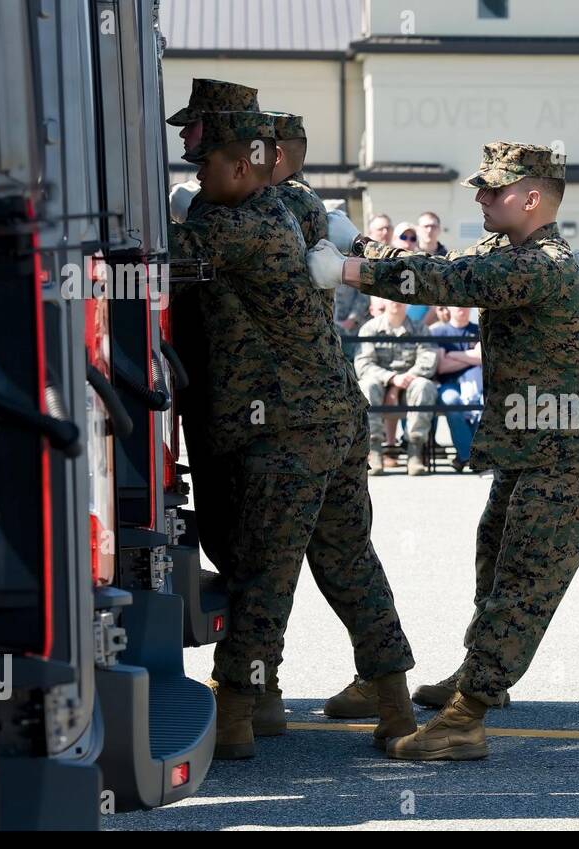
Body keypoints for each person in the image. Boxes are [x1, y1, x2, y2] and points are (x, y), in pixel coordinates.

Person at [309, 141, 579, 761]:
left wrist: (347, 267)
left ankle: (468, 714)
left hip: (569, 454)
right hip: (555, 446)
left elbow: (444, 279)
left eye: (492, 189)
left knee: (523, 583)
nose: (479, 197)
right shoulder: (509, 250)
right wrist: (360, 243)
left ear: (531, 199)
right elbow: (438, 261)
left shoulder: (542, 264)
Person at [168, 111, 416, 759]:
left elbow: (151, 261)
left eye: (205, 161)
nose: (195, 172)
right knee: (348, 559)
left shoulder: (233, 223)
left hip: (284, 426)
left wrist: (172, 214)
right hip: (330, 412)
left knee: (262, 571)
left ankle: (240, 714)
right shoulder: (293, 206)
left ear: (244, 164)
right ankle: (392, 704)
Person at [164, 79, 261, 579]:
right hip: (213, 386)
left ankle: (248, 654)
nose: (183, 139)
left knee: (247, 544)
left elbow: (172, 260)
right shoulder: (216, 196)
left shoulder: (252, 206)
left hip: (244, 399)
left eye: (193, 127)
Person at [355, 298, 439, 476]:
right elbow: (364, 365)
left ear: (408, 303)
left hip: (409, 387)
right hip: (380, 387)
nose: (396, 301)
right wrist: (392, 379)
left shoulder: (420, 328)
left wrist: (400, 383)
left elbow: (428, 361)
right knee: (366, 385)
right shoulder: (370, 329)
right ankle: (374, 451)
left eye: (400, 298)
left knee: (424, 385)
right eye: (390, 297)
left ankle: (415, 451)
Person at [427, 306, 483, 471]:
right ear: (449, 308)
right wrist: (470, 356)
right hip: (448, 384)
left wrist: (453, 356)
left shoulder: (478, 330)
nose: (462, 309)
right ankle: (470, 455)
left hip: (476, 383)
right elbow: (442, 367)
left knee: (480, 401)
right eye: (458, 306)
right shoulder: (438, 333)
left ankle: (464, 456)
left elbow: (482, 358)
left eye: (466, 306)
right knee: (452, 401)